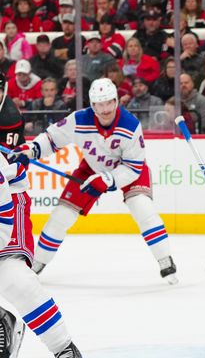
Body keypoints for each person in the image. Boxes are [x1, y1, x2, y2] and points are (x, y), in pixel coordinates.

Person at [7, 78, 178, 283]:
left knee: (142, 208)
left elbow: (134, 167)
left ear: (116, 100)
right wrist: (32, 150)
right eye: (99, 104)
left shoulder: (131, 125)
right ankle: (36, 264)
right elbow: (52, 138)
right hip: (91, 169)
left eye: (109, 102)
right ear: (92, 104)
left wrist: (108, 179)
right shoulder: (79, 119)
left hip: (128, 169)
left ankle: (165, 261)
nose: (105, 109)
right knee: (61, 216)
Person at [0, 79, 91, 358]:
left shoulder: (9, 117)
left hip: (7, 198)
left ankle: (65, 350)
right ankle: (4, 319)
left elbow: (4, 184)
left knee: (13, 277)